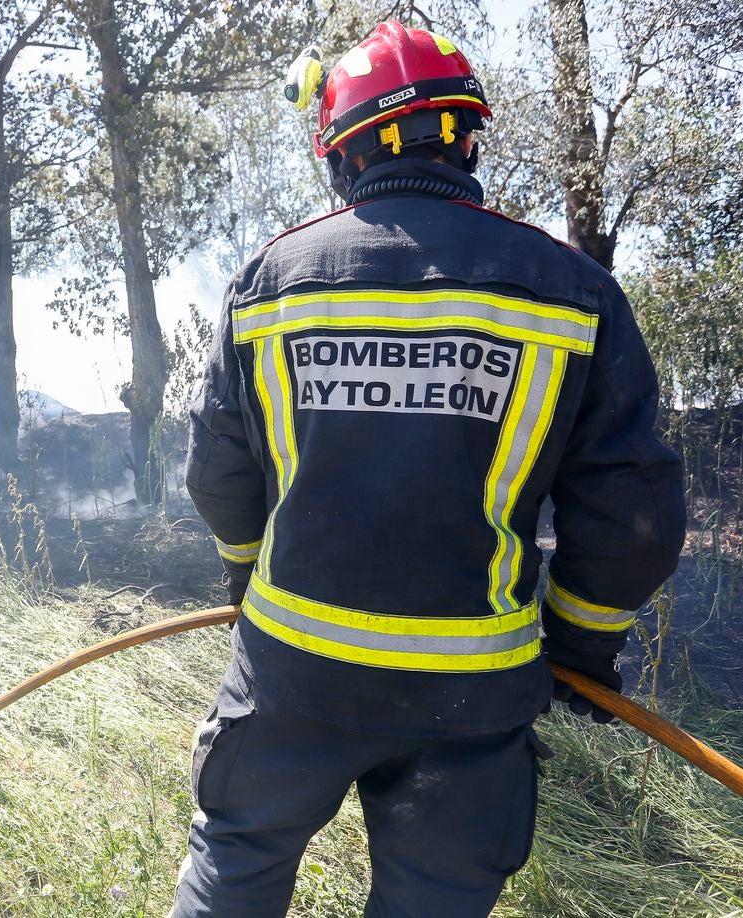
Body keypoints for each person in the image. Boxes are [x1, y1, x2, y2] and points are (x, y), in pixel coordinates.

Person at [175, 21, 686, 917]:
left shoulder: (268, 281)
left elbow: (219, 473)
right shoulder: (571, 291)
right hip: (471, 697)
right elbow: (631, 514)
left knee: (237, 861)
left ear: (341, 152)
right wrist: (577, 643)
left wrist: (246, 577)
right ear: (465, 139)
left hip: (292, 672)